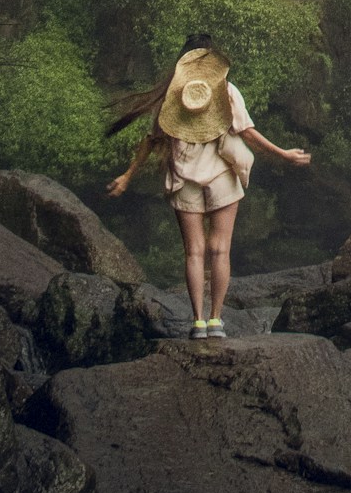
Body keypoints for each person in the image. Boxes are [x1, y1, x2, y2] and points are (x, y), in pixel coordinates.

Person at [106, 44, 310, 338]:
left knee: (194, 252)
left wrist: (127, 176)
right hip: (222, 177)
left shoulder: (172, 94)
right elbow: (247, 132)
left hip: (183, 178)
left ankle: (198, 321)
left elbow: (151, 140)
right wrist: (283, 154)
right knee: (219, 249)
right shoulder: (226, 90)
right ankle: (216, 320)